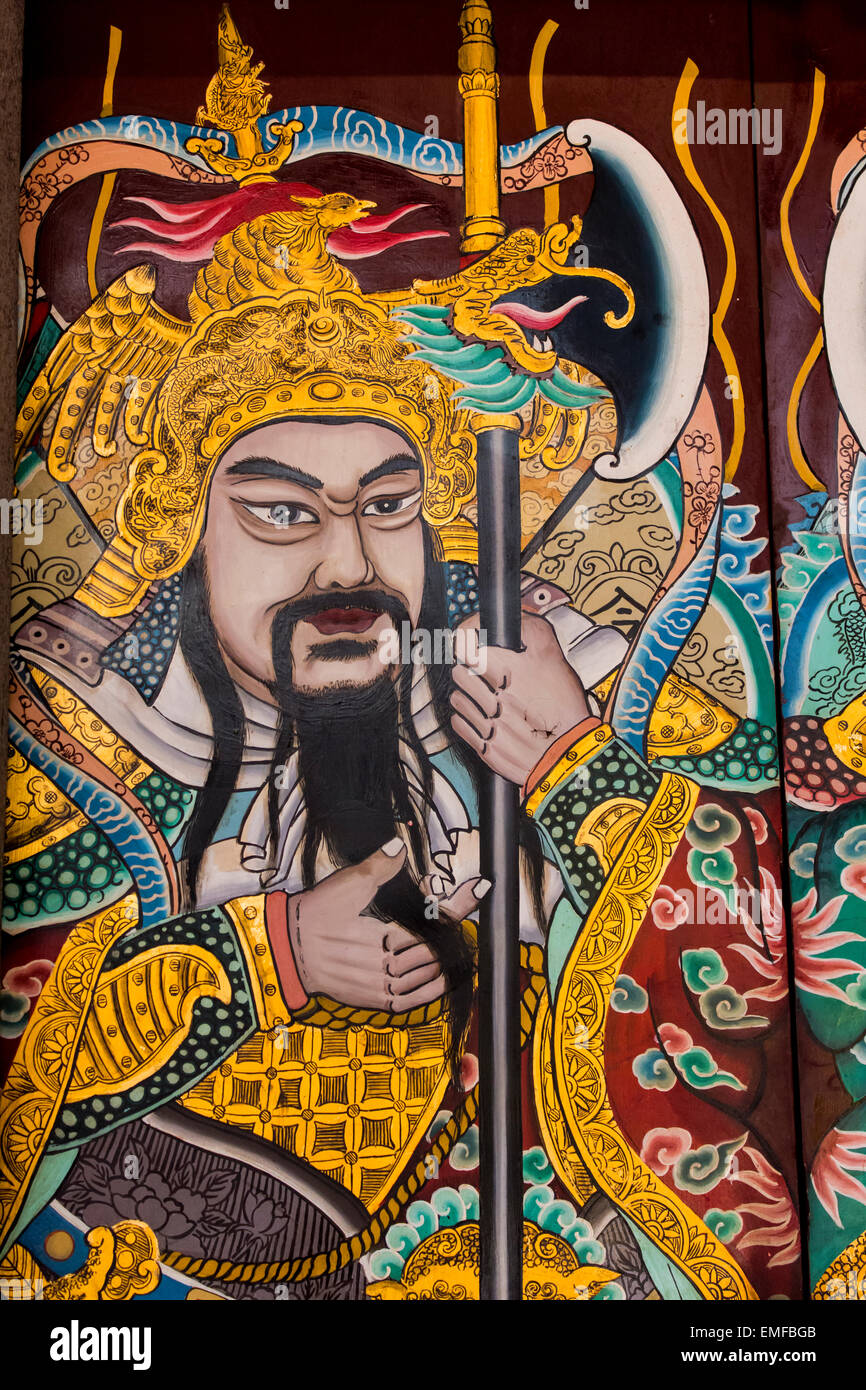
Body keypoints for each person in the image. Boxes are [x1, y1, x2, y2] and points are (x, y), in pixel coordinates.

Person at [0, 209, 797, 1301]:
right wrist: (270, 951)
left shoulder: (554, 679)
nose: (347, 563)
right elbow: (26, 1055)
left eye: (387, 506)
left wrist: (574, 765)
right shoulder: (86, 747)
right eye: (280, 511)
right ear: (185, 526)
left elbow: (783, 910)